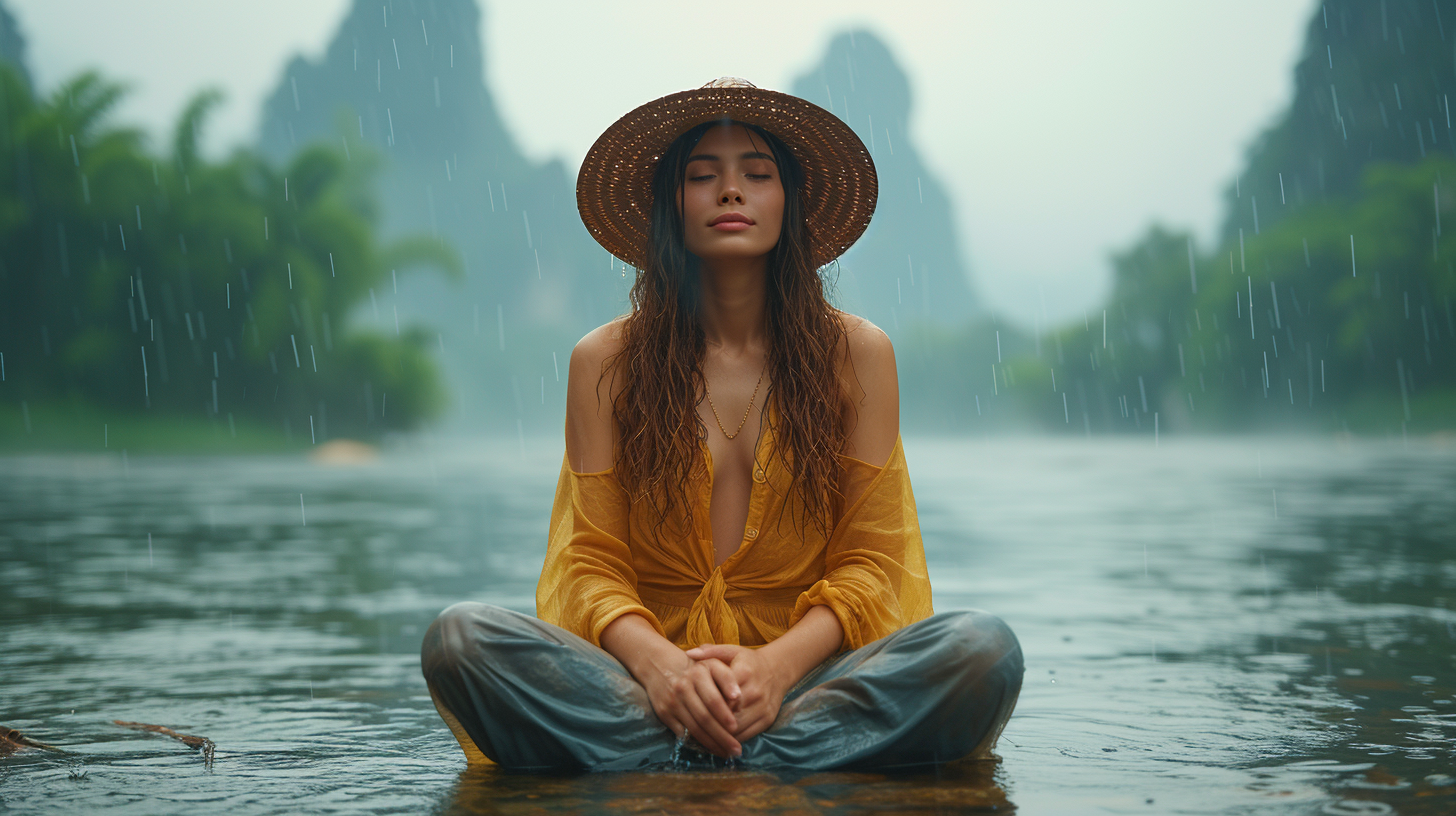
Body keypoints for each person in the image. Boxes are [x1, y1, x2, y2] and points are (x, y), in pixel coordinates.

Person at [421, 77, 1023, 772]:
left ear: (788, 203)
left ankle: (685, 759)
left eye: (757, 174)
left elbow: (874, 564)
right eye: (702, 176)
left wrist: (770, 670)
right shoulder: (604, 361)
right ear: (669, 207)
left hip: (804, 683)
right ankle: (777, 758)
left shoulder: (857, 356)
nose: (730, 192)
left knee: (982, 649)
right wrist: (663, 672)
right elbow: (588, 566)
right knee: (461, 640)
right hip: (643, 690)